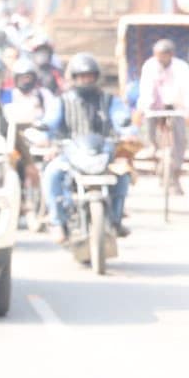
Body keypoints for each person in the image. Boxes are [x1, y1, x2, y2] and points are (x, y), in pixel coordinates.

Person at [42, 52, 132, 241]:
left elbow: (121, 118)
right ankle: (57, 222)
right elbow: (49, 123)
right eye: (82, 77)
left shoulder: (109, 100)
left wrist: (127, 130)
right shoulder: (62, 101)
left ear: (96, 77)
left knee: (123, 175)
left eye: (89, 76)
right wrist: (44, 136)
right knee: (52, 173)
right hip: (71, 154)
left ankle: (116, 219)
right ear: (74, 78)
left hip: (103, 154)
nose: (86, 80)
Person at [135, 38, 187, 195]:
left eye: (163, 54)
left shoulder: (181, 67)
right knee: (148, 129)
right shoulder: (149, 66)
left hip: (176, 106)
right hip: (155, 107)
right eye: (157, 54)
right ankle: (153, 148)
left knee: (180, 137)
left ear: (170, 54)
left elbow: (186, 90)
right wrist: (142, 109)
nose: (160, 58)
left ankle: (176, 168)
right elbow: (146, 89)